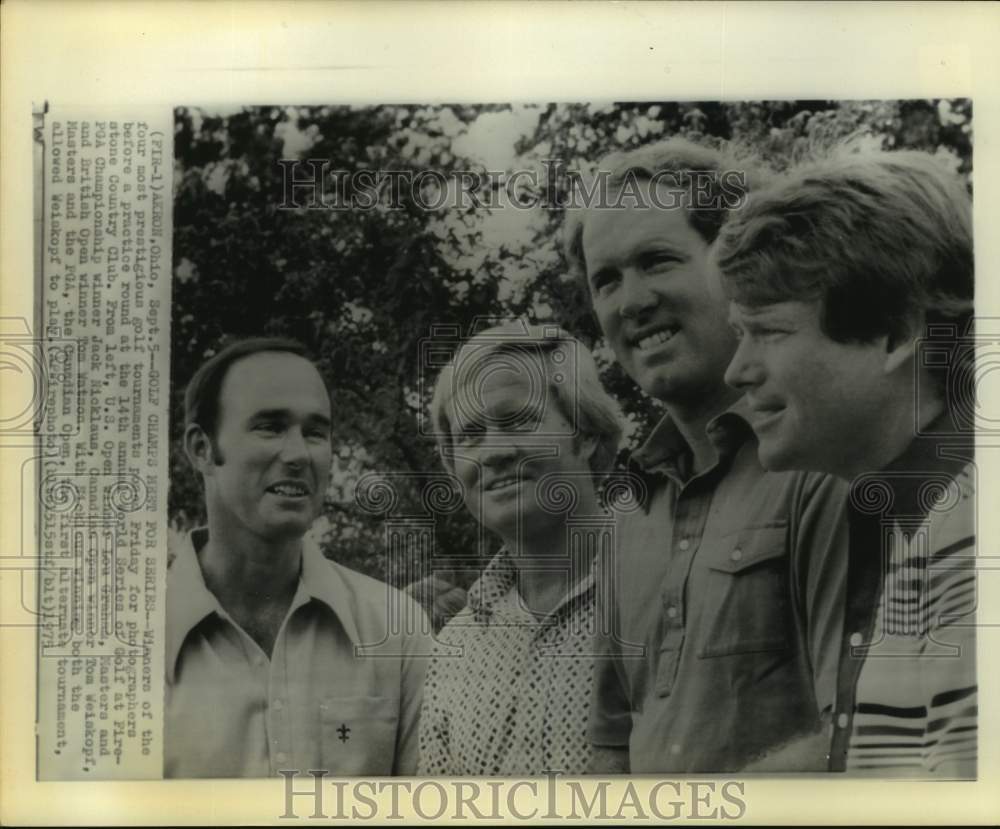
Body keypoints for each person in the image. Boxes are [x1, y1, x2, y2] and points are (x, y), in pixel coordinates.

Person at [563, 137, 850, 773]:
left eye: (657, 261)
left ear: (739, 265)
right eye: (606, 280)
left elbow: (857, 738)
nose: (630, 301)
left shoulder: (826, 460)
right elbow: (614, 748)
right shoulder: (626, 511)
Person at [714, 147, 976, 777]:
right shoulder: (916, 523)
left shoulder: (971, 535)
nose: (736, 371)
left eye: (768, 331)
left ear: (895, 332)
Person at [165, 337, 431, 778]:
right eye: (269, 427)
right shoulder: (126, 647)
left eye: (315, 432)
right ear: (202, 449)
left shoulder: (395, 631)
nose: (298, 454)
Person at [418, 321, 624, 775]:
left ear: (585, 432)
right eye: (469, 436)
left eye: (517, 420)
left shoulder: (663, 590)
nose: (492, 452)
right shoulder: (454, 648)